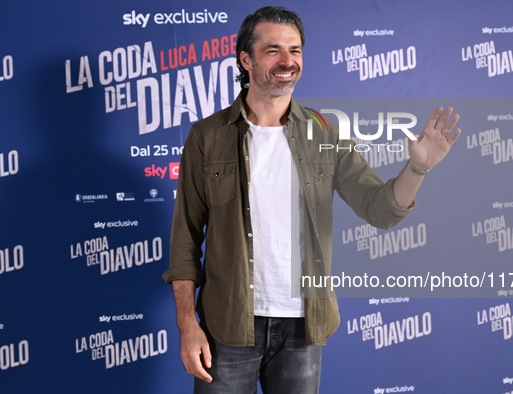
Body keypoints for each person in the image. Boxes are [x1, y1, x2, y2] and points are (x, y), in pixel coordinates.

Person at [162, 6, 461, 393]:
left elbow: (381, 209)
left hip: (304, 327)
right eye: (273, 50)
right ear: (246, 60)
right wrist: (188, 325)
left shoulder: (325, 133)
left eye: (295, 50)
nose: (288, 61)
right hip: (227, 325)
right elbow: (185, 241)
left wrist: (418, 169)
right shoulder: (208, 136)